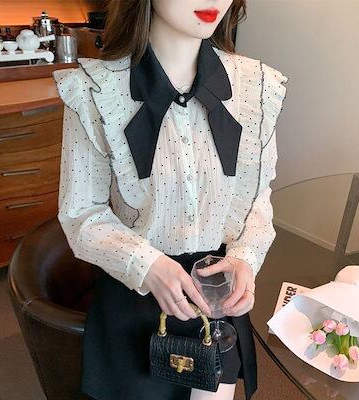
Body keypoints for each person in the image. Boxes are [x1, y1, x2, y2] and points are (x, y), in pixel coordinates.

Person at [52, 1, 288, 399]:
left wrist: (246, 258)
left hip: (216, 298)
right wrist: (147, 266)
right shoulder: (94, 91)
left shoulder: (256, 88)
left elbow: (258, 197)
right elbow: (82, 214)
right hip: (135, 299)